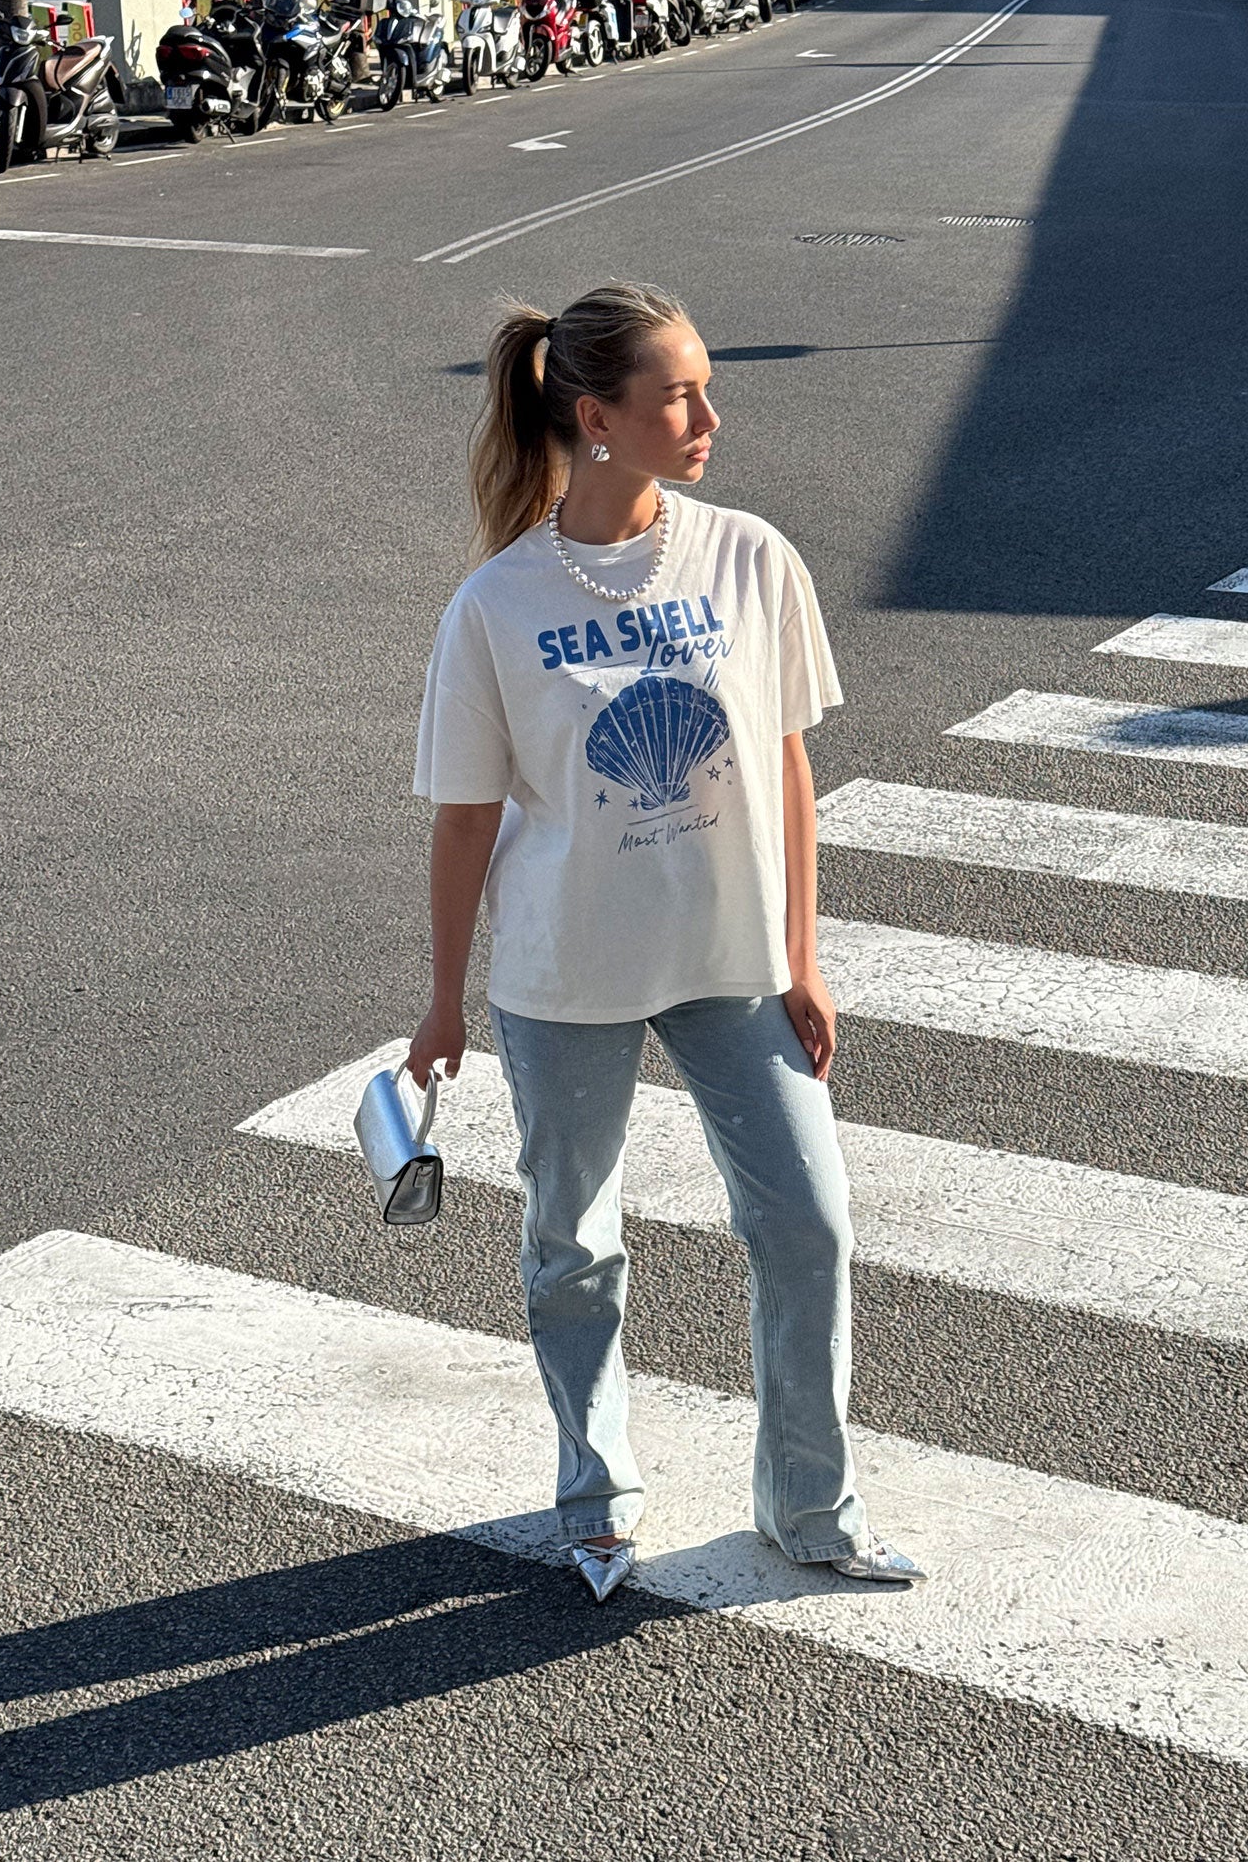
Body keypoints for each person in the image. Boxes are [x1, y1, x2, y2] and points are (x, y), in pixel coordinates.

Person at [406, 281, 927, 1603]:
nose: (707, 417)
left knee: (807, 1222)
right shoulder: (496, 605)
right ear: (597, 419)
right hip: (564, 971)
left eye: (705, 388)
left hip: (733, 962)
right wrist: (443, 1000)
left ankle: (809, 1506)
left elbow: (790, 768)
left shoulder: (751, 557)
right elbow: (465, 820)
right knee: (574, 1245)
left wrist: (804, 956)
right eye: (678, 396)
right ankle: (597, 1497)